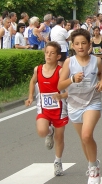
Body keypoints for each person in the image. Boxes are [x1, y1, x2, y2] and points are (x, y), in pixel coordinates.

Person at [58, 29, 102, 184]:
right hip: (74, 104)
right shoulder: (69, 62)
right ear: (72, 45)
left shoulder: (96, 61)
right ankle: (93, 163)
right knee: (84, 139)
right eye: (77, 44)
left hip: (92, 102)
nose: (80, 47)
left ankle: (93, 170)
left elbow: (100, 75)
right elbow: (59, 84)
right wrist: (72, 79)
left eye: (83, 43)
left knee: (87, 135)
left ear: (89, 45)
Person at [25, 42, 68, 176]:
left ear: (58, 56)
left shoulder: (61, 71)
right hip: (43, 108)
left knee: (59, 137)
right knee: (42, 131)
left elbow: (71, 91)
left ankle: (58, 162)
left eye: (52, 53)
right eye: (46, 52)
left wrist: (61, 95)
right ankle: (50, 132)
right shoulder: (38, 69)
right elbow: (33, 81)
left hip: (60, 109)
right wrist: (31, 96)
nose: (48, 55)